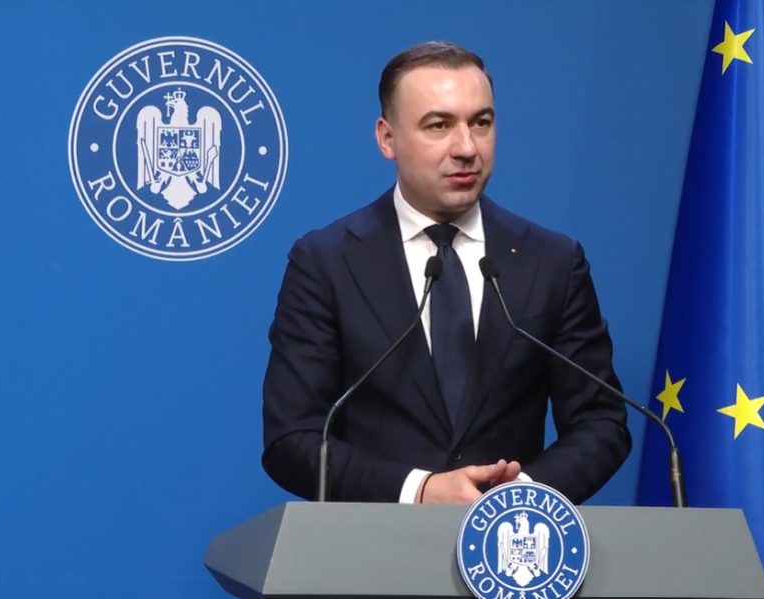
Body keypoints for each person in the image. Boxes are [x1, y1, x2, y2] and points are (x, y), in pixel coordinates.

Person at [261, 41, 630, 504]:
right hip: (374, 544)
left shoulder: (552, 261)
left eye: (481, 123)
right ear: (387, 138)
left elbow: (601, 422)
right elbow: (292, 438)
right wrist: (421, 490)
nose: (467, 148)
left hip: (512, 538)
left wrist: (518, 498)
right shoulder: (326, 262)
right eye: (439, 125)